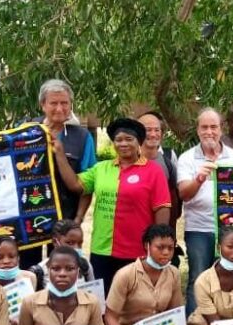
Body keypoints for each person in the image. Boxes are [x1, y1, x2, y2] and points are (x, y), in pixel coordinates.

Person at [52, 117, 171, 293]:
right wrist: (60, 154)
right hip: (102, 248)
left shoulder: (153, 171)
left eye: (129, 139)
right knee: (102, 300)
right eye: (118, 140)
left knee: (135, 301)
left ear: (139, 142)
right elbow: (75, 185)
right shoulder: (101, 168)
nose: (123, 144)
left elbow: (162, 207)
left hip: (136, 249)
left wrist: (158, 244)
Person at [178, 108, 233, 316]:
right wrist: (199, 178)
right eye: (204, 127)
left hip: (230, 228)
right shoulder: (187, 158)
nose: (209, 131)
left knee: (230, 278)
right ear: (197, 130)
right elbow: (184, 194)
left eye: (213, 127)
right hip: (199, 228)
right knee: (198, 277)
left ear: (221, 129)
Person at [32, 79, 97, 222]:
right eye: (54, 103)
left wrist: (78, 218)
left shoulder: (82, 137)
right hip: (31, 216)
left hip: (66, 217)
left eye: (65, 103)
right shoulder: (28, 130)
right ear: (43, 105)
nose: (60, 109)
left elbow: (88, 184)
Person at [138, 111, 182, 232]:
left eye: (157, 130)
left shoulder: (167, 163)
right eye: (148, 130)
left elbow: (174, 200)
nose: (153, 134)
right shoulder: (127, 161)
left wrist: (169, 235)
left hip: (159, 231)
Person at [30, 219, 95, 290]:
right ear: (55, 242)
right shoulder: (40, 271)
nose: (76, 248)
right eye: (70, 243)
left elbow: (94, 295)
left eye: (80, 243)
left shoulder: (85, 265)